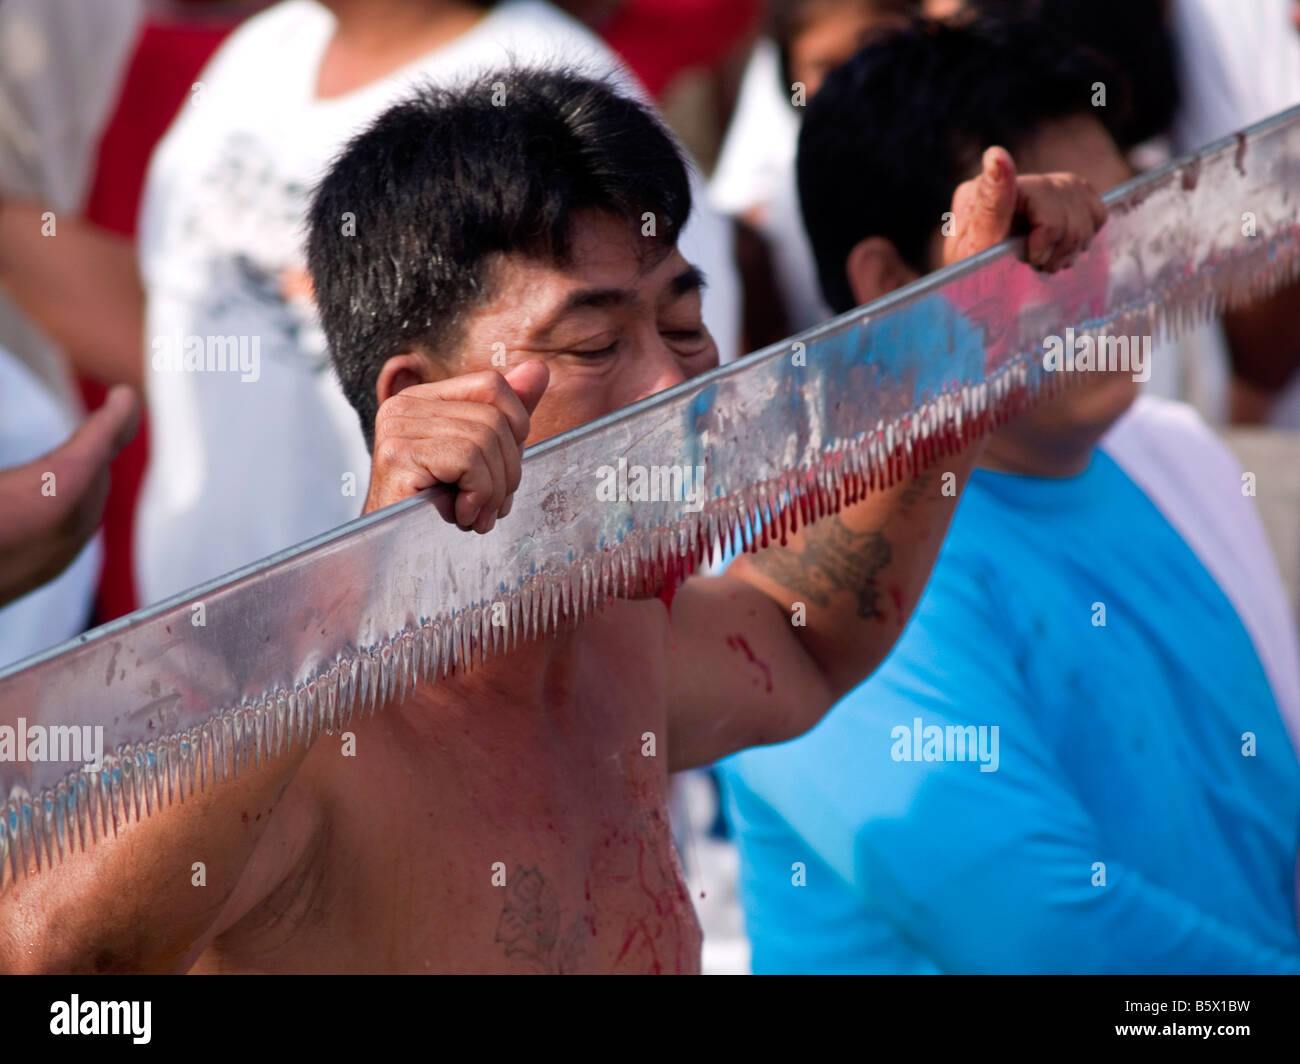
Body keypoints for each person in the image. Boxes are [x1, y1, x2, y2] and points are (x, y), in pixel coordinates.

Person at [0, 65, 1103, 973]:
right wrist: (365, 580)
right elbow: (55, 969)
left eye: (682, 323)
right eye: (591, 347)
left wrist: (972, 339)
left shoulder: (613, 647)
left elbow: (803, 635)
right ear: (415, 397)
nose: (672, 387)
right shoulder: (287, 741)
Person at [717, 17, 1300, 973]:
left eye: (1125, 221)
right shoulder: (816, 565)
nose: (1112, 276)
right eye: (1046, 241)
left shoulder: (1174, 460)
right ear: (894, 281)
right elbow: (1046, 935)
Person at [0, 0, 740, 612]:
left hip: (435, 693)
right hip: (199, 675)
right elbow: (187, 317)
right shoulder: (257, 58)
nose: (666, 365)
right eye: (590, 343)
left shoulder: (550, 88)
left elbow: (681, 421)